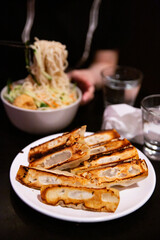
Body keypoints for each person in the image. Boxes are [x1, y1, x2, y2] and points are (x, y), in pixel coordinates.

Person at [0, 0, 131, 104]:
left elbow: (105, 63)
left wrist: (90, 76)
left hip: (72, 102)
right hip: (9, 94)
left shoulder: (108, 4)